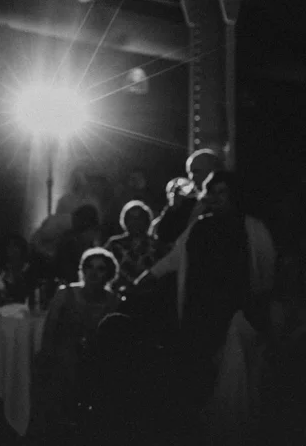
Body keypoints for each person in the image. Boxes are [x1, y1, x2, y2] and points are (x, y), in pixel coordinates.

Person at [137, 171, 275, 411]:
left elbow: (266, 269)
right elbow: (176, 256)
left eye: (223, 192)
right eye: (213, 192)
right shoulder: (200, 226)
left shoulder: (252, 227)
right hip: (200, 311)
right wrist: (148, 277)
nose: (217, 198)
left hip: (235, 311)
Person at [32, 247, 121, 433]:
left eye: (100, 268)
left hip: (95, 362)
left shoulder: (113, 301)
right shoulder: (65, 294)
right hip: (62, 360)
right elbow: (49, 331)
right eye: (89, 267)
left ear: (109, 274)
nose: (93, 273)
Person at [151, 148, 221, 248]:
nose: (191, 178)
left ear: (213, 170)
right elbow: (164, 235)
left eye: (196, 171)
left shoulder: (223, 202)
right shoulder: (188, 203)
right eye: (190, 173)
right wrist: (173, 207)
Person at [106, 200, 158, 298]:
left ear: (147, 220)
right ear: (125, 220)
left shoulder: (156, 244)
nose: (135, 222)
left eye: (139, 218)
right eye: (131, 218)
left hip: (150, 295)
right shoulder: (114, 244)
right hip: (119, 295)